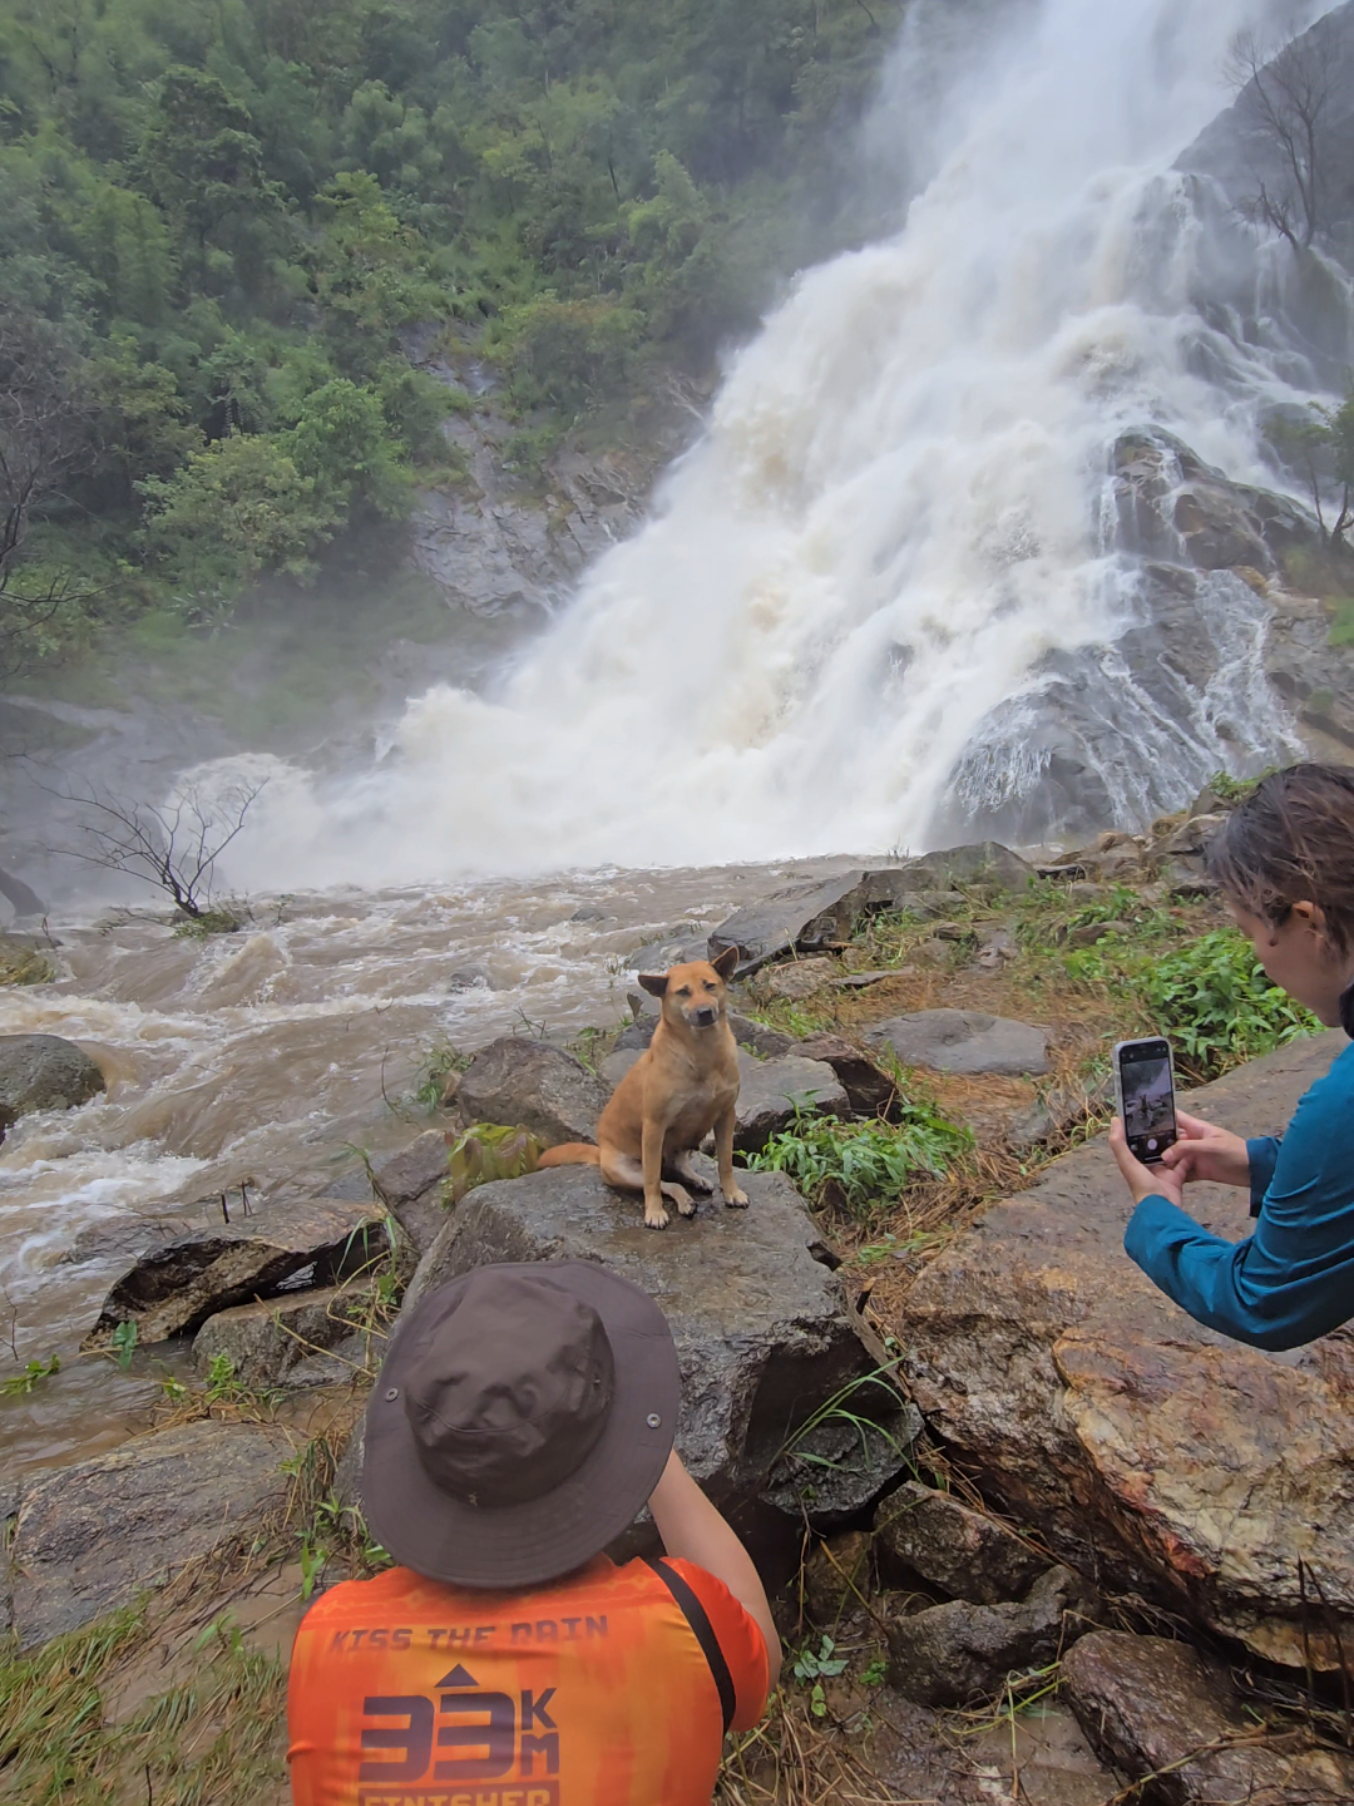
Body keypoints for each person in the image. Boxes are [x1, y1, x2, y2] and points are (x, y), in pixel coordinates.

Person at [287, 1260, 780, 1806]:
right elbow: (760, 1653)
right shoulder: (683, 1624)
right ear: (607, 1457)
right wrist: (645, 1447)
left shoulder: (327, 1643)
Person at [1110, 762, 1354, 1352]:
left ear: (1307, 922)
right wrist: (1263, 1164)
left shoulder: (1343, 1104)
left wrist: (1155, 1213)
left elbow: (1261, 1300)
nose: (1257, 960)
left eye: (1249, 931)